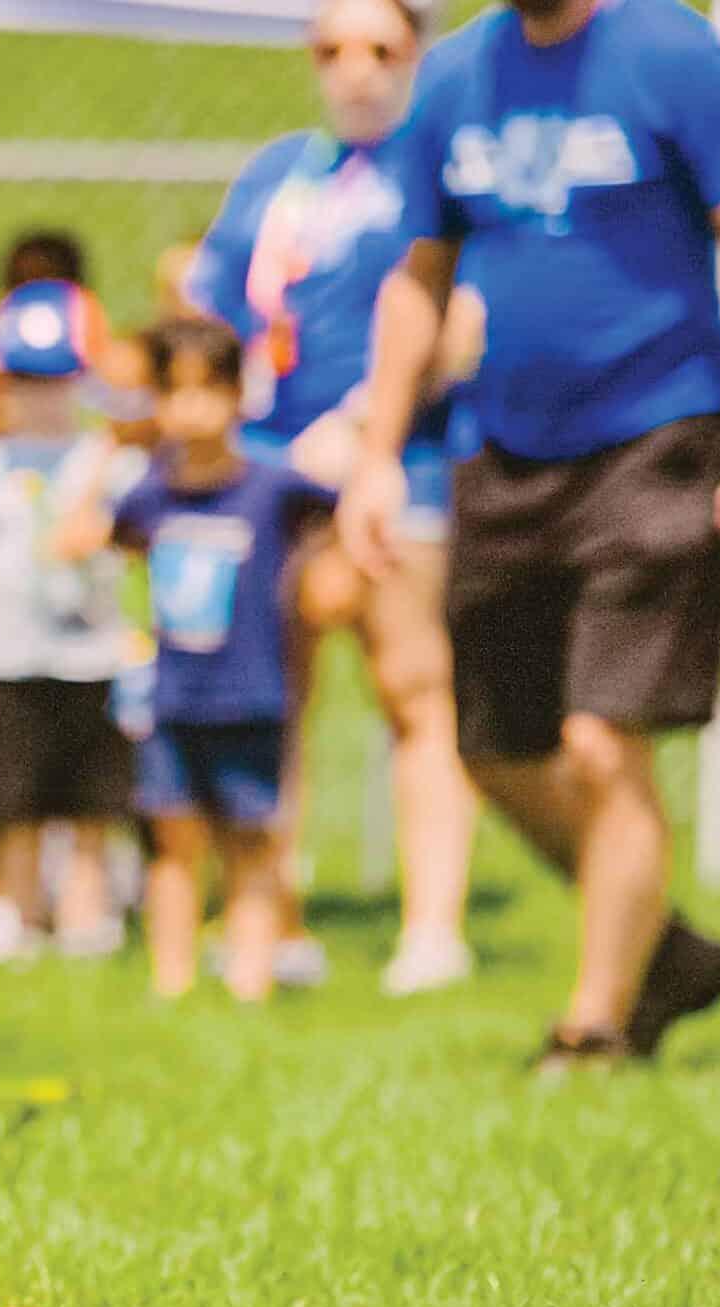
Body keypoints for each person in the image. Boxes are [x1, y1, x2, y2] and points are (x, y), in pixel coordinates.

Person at [339, 0, 720, 1069]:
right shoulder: (458, 74)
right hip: (503, 448)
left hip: (659, 436)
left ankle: (592, 1029)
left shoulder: (672, 56)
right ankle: (665, 952)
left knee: (604, 744)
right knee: (495, 748)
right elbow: (420, 275)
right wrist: (375, 455)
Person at [187, 0, 482, 996]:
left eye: (380, 50)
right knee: (268, 701)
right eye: (331, 51)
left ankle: (432, 928)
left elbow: (461, 319)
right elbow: (213, 311)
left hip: (404, 470)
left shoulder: (441, 162)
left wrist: (369, 433)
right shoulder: (282, 174)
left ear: (417, 52)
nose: (354, 71)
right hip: (272, 476)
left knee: (414, 688)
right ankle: (272, 915)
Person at [62, 319, 339, 1002]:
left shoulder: (276, 490)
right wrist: (109, 443)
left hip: (253, 693)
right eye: (175, 392)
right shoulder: (150, 494)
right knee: (173, 842)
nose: (192, 409)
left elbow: (343, 522)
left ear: (239, 395)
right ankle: (172, 980)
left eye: (208, 391)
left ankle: (250, 978)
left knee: (250, 843)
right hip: (173, 697)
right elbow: (73, 538)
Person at [0, 280, 131, 962]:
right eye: (22, 378)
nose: (39, 396)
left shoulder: (115, 465)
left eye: (56, 379)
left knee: (91, 796)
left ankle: (85, 906)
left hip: (95, 658)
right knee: (12, 795)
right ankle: (9, 902)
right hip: (10, 658)